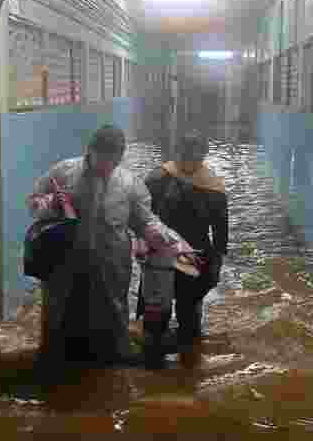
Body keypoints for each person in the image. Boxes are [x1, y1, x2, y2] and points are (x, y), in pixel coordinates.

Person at [27, 125, 199, 368]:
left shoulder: (129, 183)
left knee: (112, 310)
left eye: (113, 161)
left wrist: (168, 241)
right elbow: (34, 203)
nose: (106, 167)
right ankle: (55, 356)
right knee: (60, 311)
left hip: (111, 264)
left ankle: (115, 353)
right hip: (65, 262)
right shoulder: (63, 173)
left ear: (121, 157)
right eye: (102, 160)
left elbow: (145, 221)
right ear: (90, 151)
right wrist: (52, 202)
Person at [137, 131, 229, 366]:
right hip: (164, 254)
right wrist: (141, 244)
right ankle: (167, 364)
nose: (189, 161)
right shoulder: (158, 179)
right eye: (186, 155)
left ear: (203, 156)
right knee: (159, 315)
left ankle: (181, 366)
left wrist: (215, 265)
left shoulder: (213, 189)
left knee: (187, 314)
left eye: (194, 156)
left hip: (187, 255)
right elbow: (141, 217)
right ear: (178, 154)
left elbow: (220, 234)